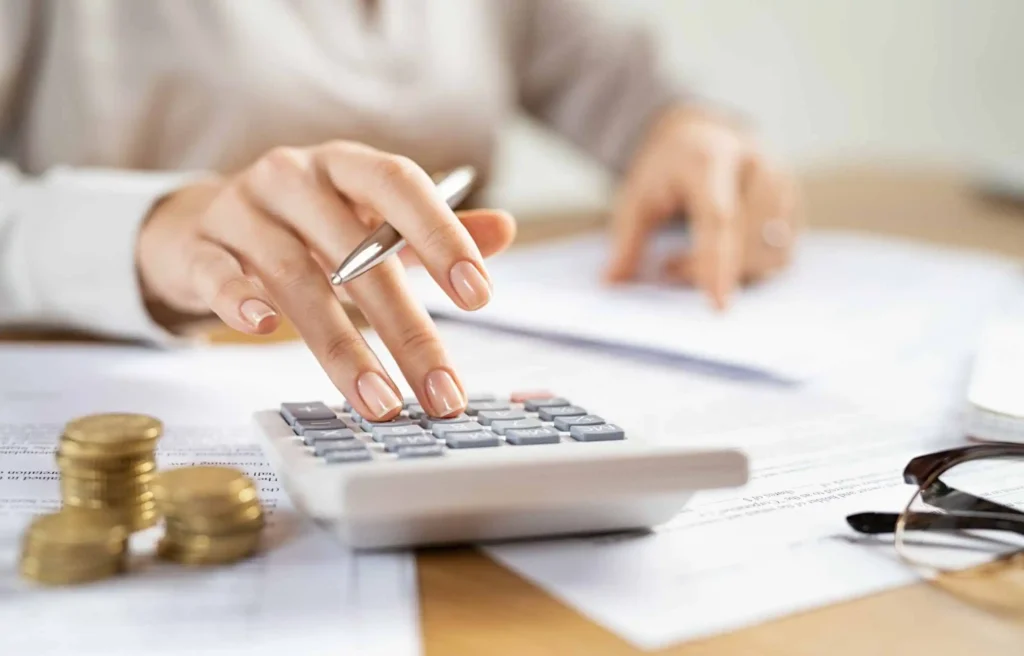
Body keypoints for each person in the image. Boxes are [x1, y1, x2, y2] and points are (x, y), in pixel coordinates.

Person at [0, 0, 797, 421]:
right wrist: (150, 227)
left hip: (482, 366)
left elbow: (639, 96)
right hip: (141, 370)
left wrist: (700, 143)